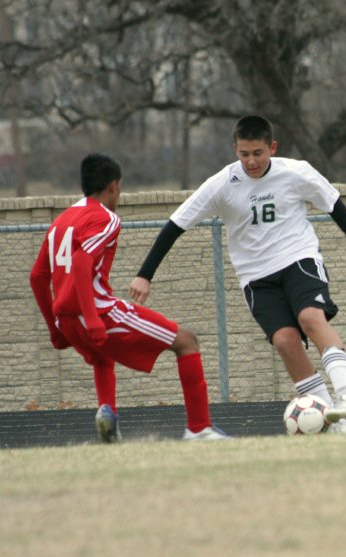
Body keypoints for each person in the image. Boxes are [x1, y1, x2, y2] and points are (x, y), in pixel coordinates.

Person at [129, 115, 346, 434]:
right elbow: (175, 225)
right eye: (244, 153)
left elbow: (333, 204)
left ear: (272, 148)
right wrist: (144, 274)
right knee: (286, 342)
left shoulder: (296, 172)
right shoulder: (222, 184)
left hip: (297, 260)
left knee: (311, 319)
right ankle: (332, 419)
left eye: (258, 153)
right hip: (256, 278)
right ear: (235, 149)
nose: (251, 161)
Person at [30, 153, 227, 443]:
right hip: (99, 312)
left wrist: (54, 327)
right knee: (187, 341)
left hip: (67, 319)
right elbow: (84, 264)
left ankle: (107, 413)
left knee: (101, 357)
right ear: (114, 186)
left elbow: (37, 277)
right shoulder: (106, 219)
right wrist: (94, 318)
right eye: (119, 188)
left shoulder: (62, 221)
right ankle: (199, 429)